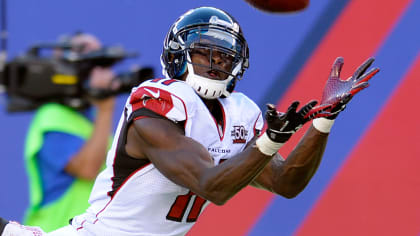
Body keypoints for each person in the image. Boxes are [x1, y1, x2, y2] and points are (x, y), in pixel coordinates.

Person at [0, 6, 379, 236]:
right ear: (179, 55)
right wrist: (270, 142)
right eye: (204, 54)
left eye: (224, 57)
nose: (216, 63)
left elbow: (286, 183)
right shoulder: (158, 102)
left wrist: (323, 122)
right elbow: (211, 185)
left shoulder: (240, 112)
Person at [22, 33, 116, 232]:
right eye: (90, 58)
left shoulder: (92, 122)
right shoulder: (52, 116)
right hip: (54, 229)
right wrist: (106, 109)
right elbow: (87, 169)